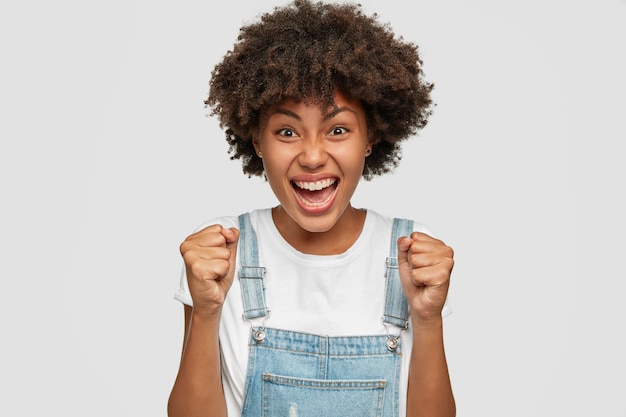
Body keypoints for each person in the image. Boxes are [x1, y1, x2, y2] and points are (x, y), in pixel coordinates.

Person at [167, 1, 455, 416]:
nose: (313, 156)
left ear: (370, 137)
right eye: (287, 131)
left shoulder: (412, 255)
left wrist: (429, 321)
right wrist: (207, 311)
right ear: (256, 142)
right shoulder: (220, 253)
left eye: (338, 129)